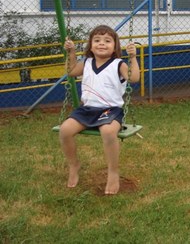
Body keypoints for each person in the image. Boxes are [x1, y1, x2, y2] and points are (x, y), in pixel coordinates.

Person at [59, 25, 140, 195]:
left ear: (115, 46)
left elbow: (134, 78)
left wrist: (132, 57)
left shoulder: (118, 64)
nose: (101, 44)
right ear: (90, 45)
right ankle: (74, 165)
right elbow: (71, 71)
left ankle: (113, 172)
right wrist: (71, 52)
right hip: (87, 109)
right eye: (97, 40)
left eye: (107, 41)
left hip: (110, 110)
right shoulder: (86, 63)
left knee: (108, 132)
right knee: (65, 130)